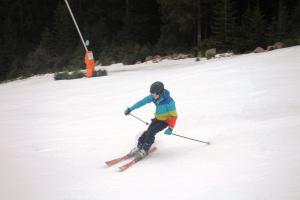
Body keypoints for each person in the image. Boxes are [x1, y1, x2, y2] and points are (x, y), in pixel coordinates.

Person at [124, 81, 178, 160]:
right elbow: (142, 102)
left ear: (160, 92)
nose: (153, 96)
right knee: (147, 132)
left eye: (154, 94)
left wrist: (170, 128)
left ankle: (145, 150)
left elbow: (174, 116)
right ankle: (139, 147)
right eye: (152, 93)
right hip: (157, 119)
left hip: (165, 121)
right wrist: (130, 109)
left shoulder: (169, 102)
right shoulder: (154, 97)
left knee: (151, 132)